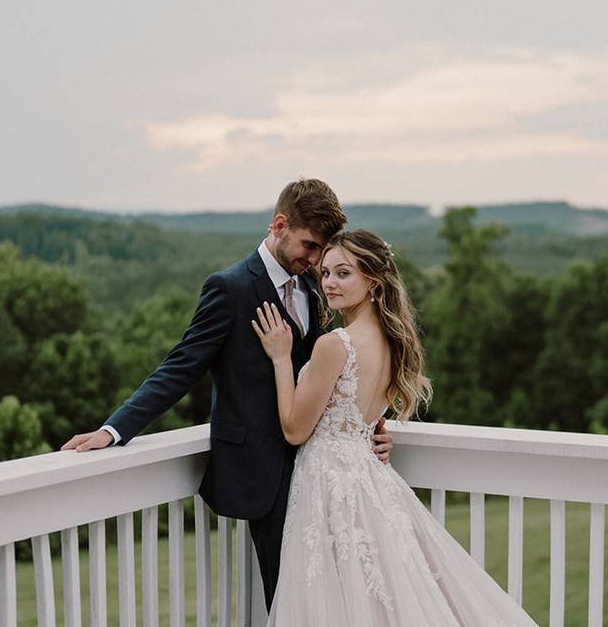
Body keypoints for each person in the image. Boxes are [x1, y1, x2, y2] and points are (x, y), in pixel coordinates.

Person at [60, 179, 394, 609]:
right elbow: (180, 367)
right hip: (262, 473)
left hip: (319, 474)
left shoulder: (312, 287)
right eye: (310, 246)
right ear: (279, 225)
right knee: (290, 603)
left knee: (336, 599)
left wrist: (367, 425)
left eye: (323, 251)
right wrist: (113, 429)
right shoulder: (230, 288)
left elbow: (331, 374)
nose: (316, 261)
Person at [252, 229, 538, 626]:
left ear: (373, 280)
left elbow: (295, 430)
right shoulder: (392, 341)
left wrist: (281, 358)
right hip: (369, 477)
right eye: (326, 273)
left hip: (329, 482)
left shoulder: (334, 344)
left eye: (343, 273)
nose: (329, 283)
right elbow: (360, 412)